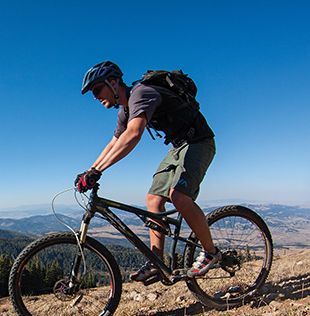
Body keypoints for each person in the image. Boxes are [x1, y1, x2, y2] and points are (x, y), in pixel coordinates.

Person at [77, 60, 220, 281]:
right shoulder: (125, 110)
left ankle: (211, 253)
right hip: (178, 146)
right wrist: (90, 170)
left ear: (113, 83)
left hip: (199, 142)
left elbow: (134, 134)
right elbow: (114, 143)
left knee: (179, 197)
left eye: (97, 89)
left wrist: (99, 172)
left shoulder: (141, 93)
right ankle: (157, 262)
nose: (95, 97)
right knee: (153, 200)